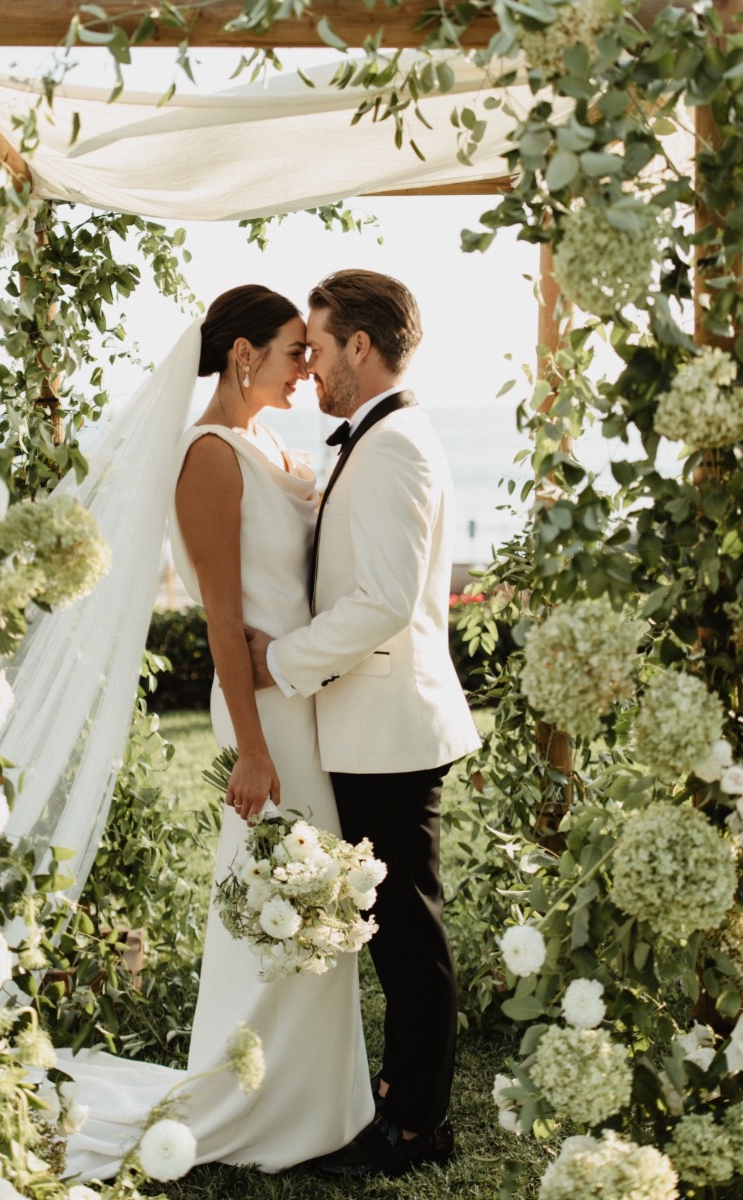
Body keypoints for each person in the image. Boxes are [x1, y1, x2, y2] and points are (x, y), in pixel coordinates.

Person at [58, 285, 374, 1180]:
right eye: (291, 350)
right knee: (277, 904)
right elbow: (224, 623)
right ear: (243, 354)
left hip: (306, 704)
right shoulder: (206, 457)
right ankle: (264, 1108)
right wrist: (253, 747)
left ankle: (319, 1103)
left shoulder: (267, 443)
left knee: (317, 900)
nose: (306, 364)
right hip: (268, 716)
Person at [247, 269, 481, 1178]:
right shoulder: (374, 440)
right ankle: (400, 1096)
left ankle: (416, 1128)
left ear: (360, 345)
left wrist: (279, 659)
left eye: (319, 340)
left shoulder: (393, 446)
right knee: (395, 928)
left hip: (387, 726)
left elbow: (382, 601)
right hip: (372, 722)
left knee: (408, 935)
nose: (311, 362)